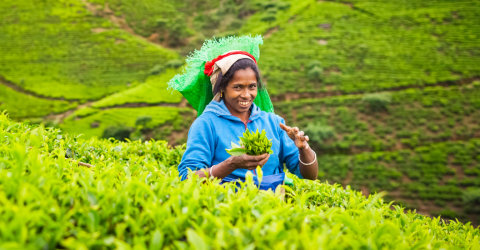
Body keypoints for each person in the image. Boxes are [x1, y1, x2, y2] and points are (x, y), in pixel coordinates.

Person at [168, 35, 318, 190]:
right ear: (222, 88)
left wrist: (303, 148)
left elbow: (310, 175)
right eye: (238, 87)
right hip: (226, 207)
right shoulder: (206, 124)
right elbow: (188, 178)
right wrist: (231, 164)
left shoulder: (273, 123)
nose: (246, 95)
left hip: (272, 209)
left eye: (252, 87)